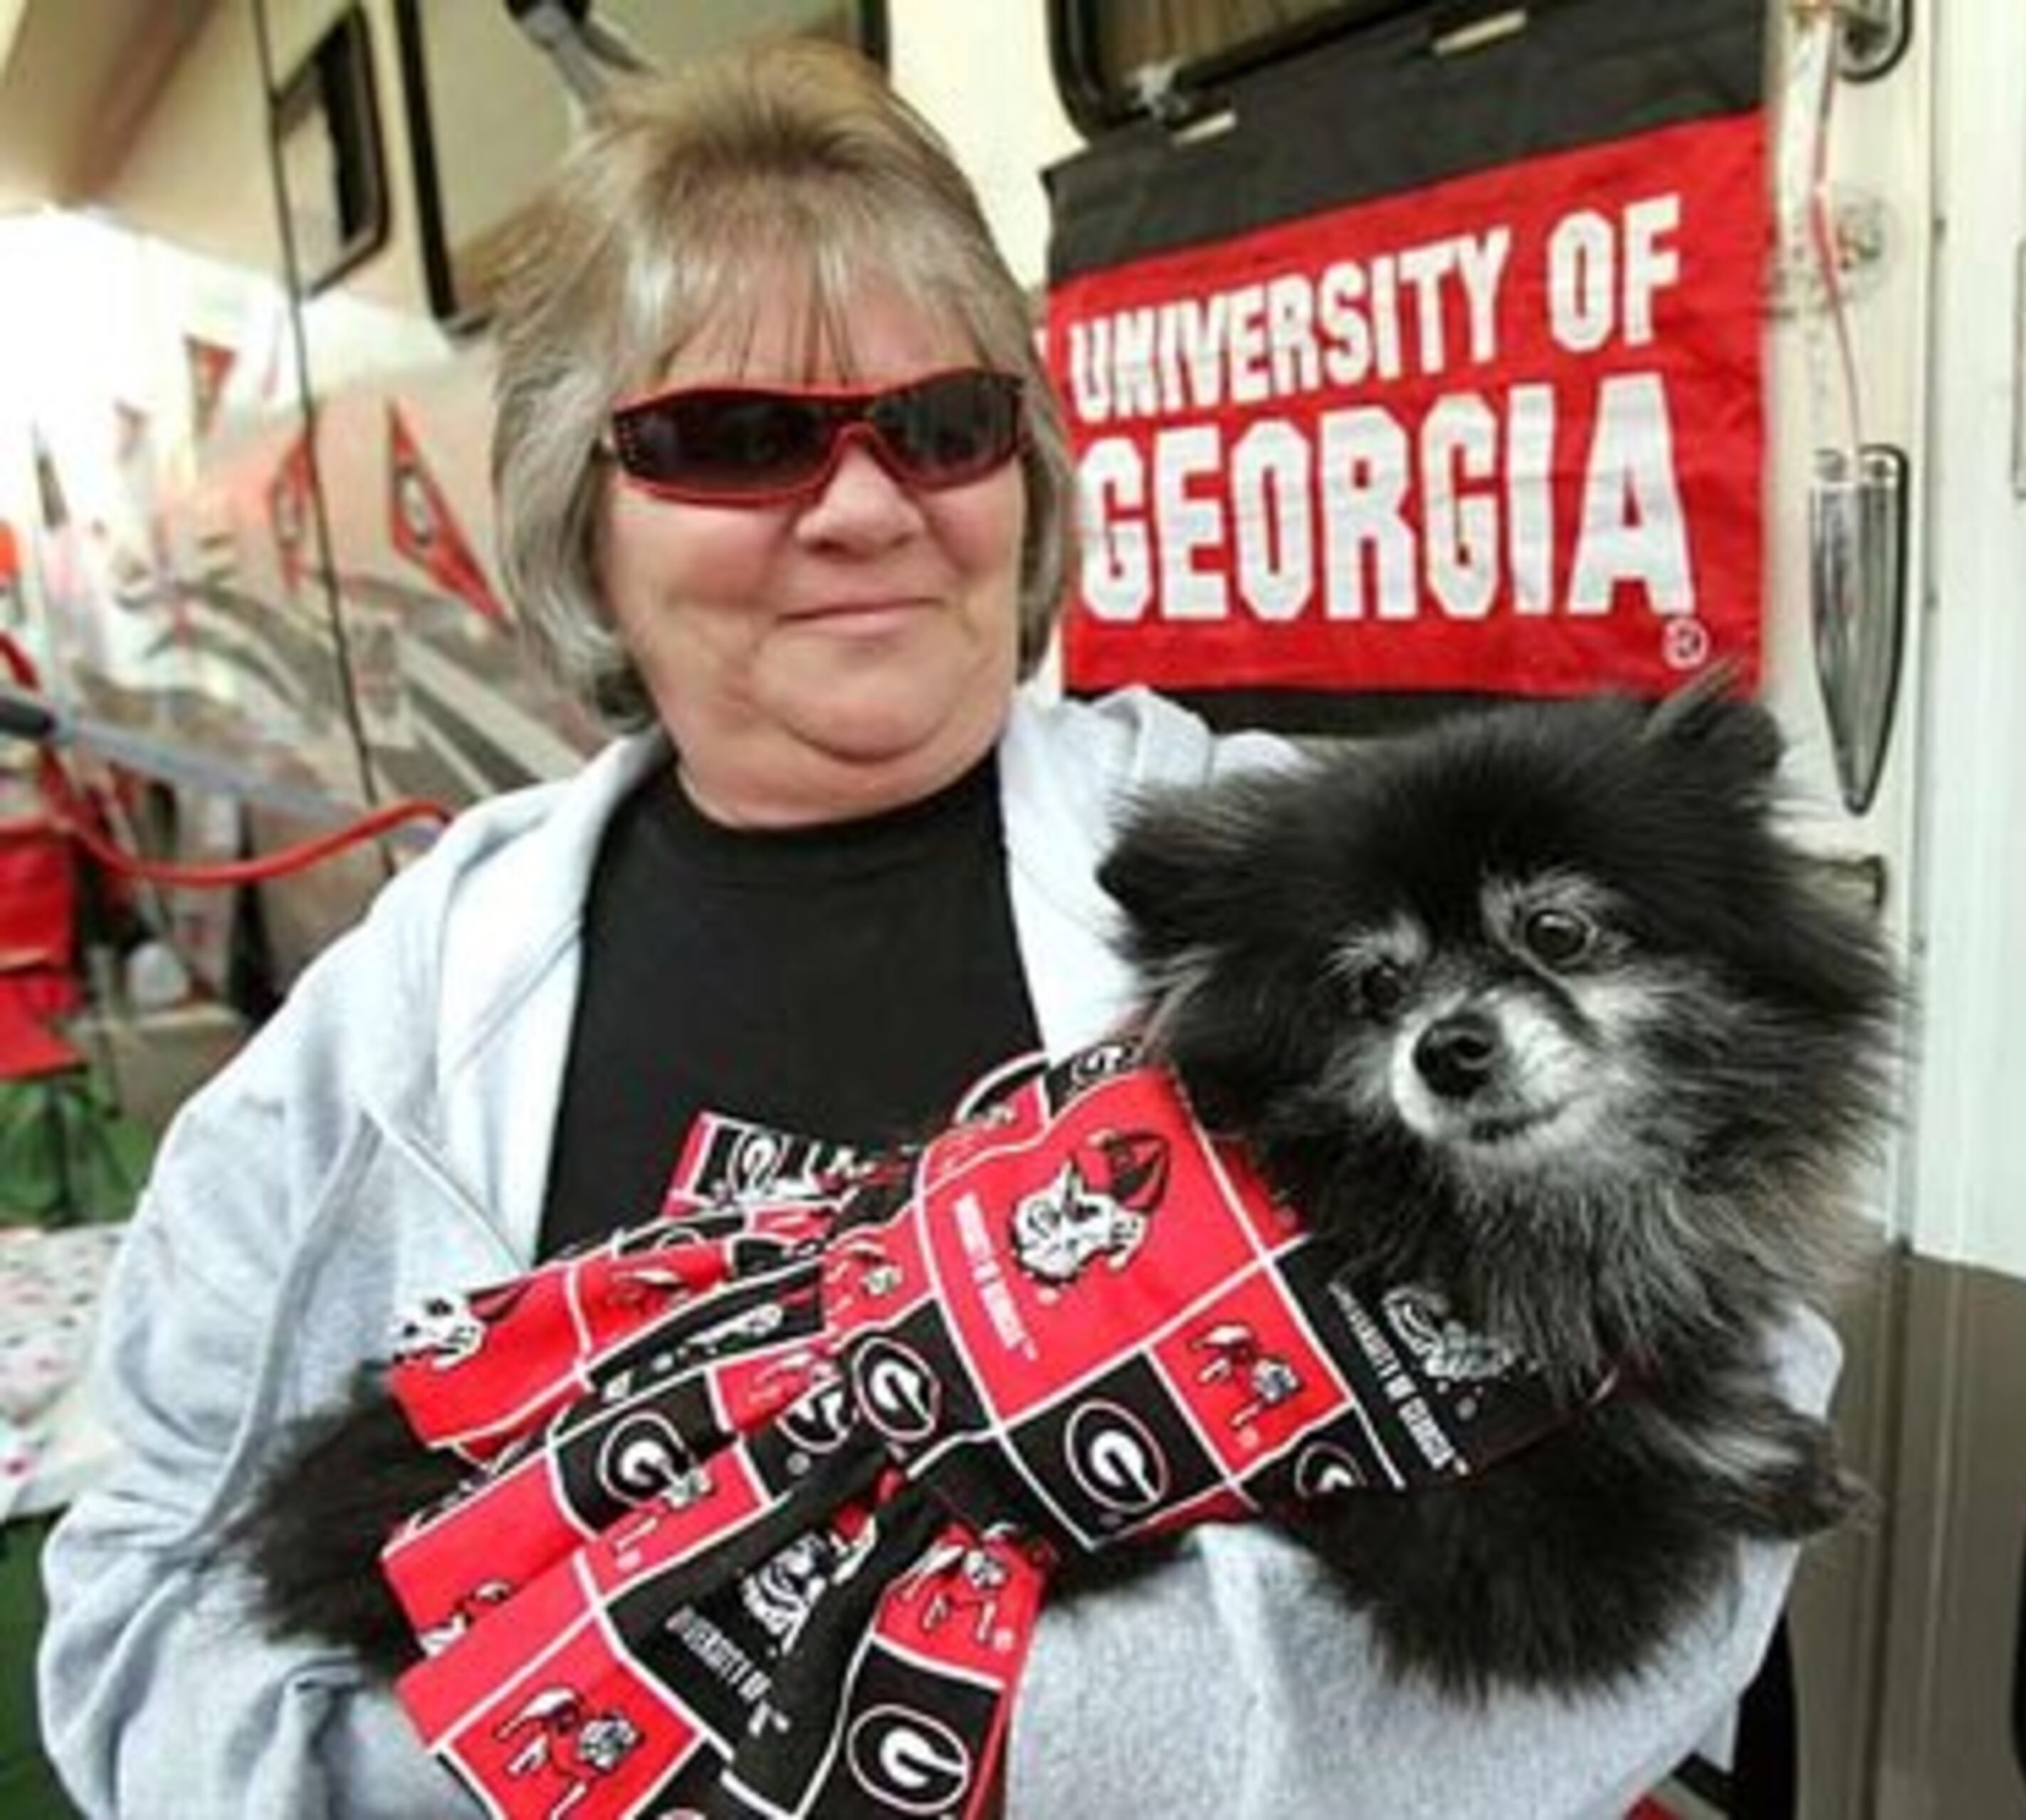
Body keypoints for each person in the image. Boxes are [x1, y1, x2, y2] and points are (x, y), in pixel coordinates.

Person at [37, 37, 1835, 1818]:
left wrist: (935, 1749)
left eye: (943, 423)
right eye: (737, 440)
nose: (865, 507)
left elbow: (1715, 1447)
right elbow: (142, 1593)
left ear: (1023, 473)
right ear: (583, 522)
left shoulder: (1302, 880)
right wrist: (494, 1768)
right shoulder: (407, 1015)